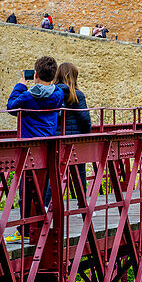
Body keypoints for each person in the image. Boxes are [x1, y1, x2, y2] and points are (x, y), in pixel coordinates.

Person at [7, 56, 63, 234]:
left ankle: (25, 227)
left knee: (26, 188)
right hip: (48, 145)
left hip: (29, 146)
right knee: (44, 185)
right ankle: (39, 223)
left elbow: (11, 107)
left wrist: (21, 85)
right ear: (53, 76)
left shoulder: (27, 96)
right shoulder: (58, 94)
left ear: (36, 74)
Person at [55, 61, 92, 194]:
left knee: (53, 173)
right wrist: (86, 134)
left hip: (55, 140)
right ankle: (81, 205)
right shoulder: (77, 95)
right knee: (79, 172)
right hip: (74, 140)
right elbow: (84, 118)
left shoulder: (53, 94)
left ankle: (48, 206)